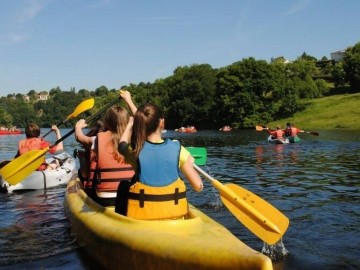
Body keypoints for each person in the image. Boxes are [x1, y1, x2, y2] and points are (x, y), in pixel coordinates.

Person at [118, 103, 203, 220]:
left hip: (142, 219)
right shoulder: (178, 149)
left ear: (139, 125)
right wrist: (189, 163)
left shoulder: (134, 151)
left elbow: (121, 145)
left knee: (124, 185)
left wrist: (129, 125)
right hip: (174, 219)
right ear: (162, 123)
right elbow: (198, 187)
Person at [74, 90, 137, 206]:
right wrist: (128, 100)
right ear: (128, 121)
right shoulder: (135, 138)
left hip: (106, 198)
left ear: (107, 122)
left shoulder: (98, 139)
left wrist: (78, 126)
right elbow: (141, 120)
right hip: (131, 195)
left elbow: (79, 137)